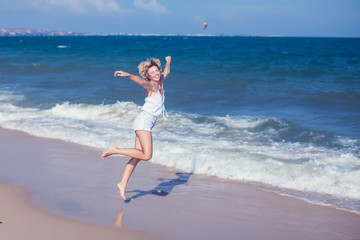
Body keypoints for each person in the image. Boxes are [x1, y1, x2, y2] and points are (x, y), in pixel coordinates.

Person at [102, 56, 172, 201]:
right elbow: (139, 81)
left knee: (136, 157)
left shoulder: (161, 80)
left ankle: (122, 184)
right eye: (152, 73)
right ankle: (115, 149)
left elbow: (167, 71)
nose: (156, 74)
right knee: (146, 155)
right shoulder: (151, 85)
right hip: (144, 121)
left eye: (156, 71)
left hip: (146, 122)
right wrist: (127, 75)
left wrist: (168, 61)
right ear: (148, 76)